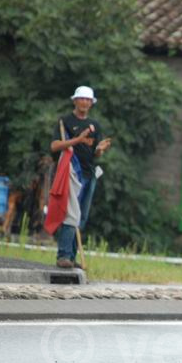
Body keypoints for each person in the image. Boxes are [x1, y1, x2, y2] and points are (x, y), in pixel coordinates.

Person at [49, 86, 111, 269]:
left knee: (81, 217)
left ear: (91, 103)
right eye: (81, 99)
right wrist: (77, 139)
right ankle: (63, 255)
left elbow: (94, 153)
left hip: (89, 173)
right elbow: (54, 146)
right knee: (71, 214)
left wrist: (100, 150)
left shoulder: (95, 125)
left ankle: (72, 256)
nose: (84, 102)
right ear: (75, 101)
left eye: (88, 100)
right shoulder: (65, 121)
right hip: (71, 172)